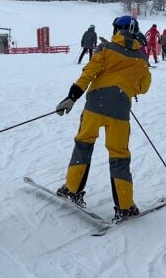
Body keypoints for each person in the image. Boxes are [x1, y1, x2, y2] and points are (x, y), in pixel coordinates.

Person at [54, 15, 152, 221]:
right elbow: (143, 88)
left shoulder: (106, 49)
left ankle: (72, 189)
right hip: (120, 110)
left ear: (117, 29)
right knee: (119, 156)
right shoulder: (141, 57)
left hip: (94, 106)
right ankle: (124, 206)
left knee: (83, 145)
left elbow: (89, 73)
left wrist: (72, 97)